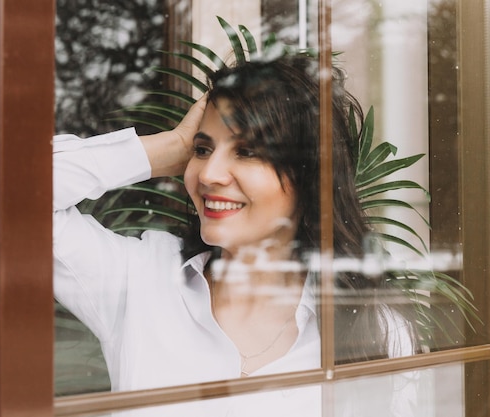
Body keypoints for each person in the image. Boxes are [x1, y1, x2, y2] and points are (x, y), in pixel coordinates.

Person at [53, 54, 418, 416]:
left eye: (247, 151)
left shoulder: (374, 329)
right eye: (202, 149)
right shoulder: (141, 277)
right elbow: (9, 191)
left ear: (310, 177)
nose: (210, 173)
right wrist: (168, 147)